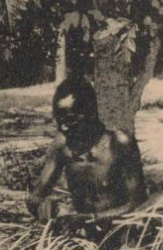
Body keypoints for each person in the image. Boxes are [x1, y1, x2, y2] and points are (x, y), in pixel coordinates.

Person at [27, 77, 147, 236]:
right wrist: (47, 206)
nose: (63, 127)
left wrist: (92, 218)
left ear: (91, 113)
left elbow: (138, 204)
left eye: (70, 120)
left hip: (121, 231)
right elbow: (35, 197)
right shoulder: (63, 145)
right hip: (82, 233)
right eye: (59, 120)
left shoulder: (119, 144)